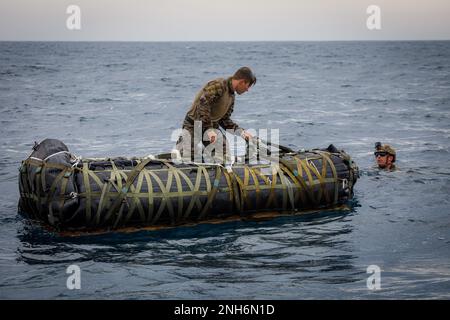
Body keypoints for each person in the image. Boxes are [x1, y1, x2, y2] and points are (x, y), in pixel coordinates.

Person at [175, 67, 256, 162]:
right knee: (187, 158)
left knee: (224, 158)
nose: (247, 90)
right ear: (242, 82)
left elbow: (224, 120)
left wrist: (241, 132)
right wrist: (209, 129)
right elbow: (203, 104)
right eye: (248, 86)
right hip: (193, 125)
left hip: (211, 128)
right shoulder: (219, 85)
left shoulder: (231, 96)